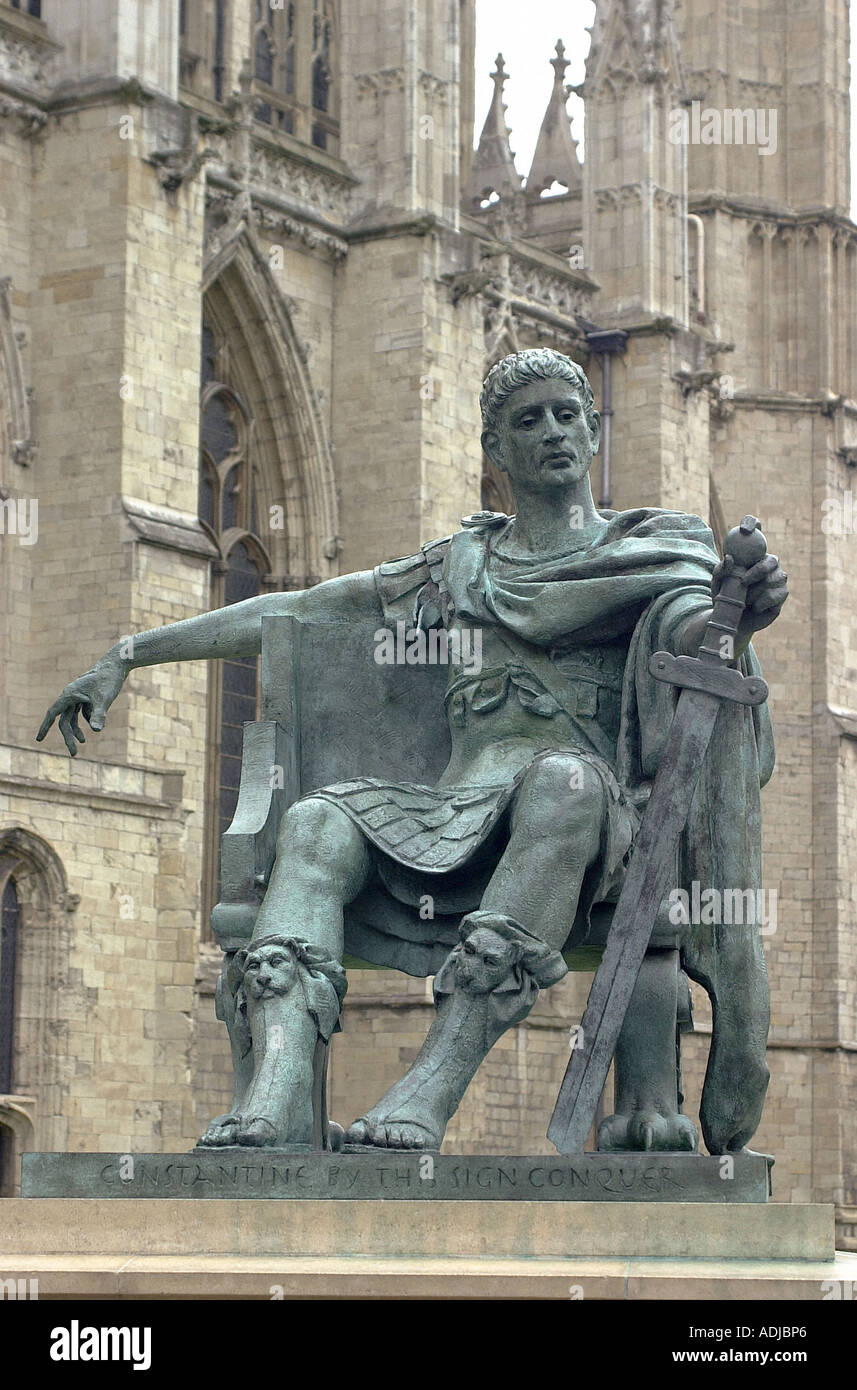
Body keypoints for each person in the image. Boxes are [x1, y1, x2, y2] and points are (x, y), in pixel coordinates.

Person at [38, 350, 789, 1153]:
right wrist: (131, 652)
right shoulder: (456, 567)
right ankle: (276, 1094)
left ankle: (430, 1088)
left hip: (593, 826)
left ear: (593, 428)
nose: (551, 433)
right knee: (318, 823)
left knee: (562, 784)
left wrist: (732, 623)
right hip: (452, 808)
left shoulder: (653, 549)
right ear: (495, 450)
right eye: (526, 421)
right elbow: (305, 610)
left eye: (566, 415)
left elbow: (689, 641)